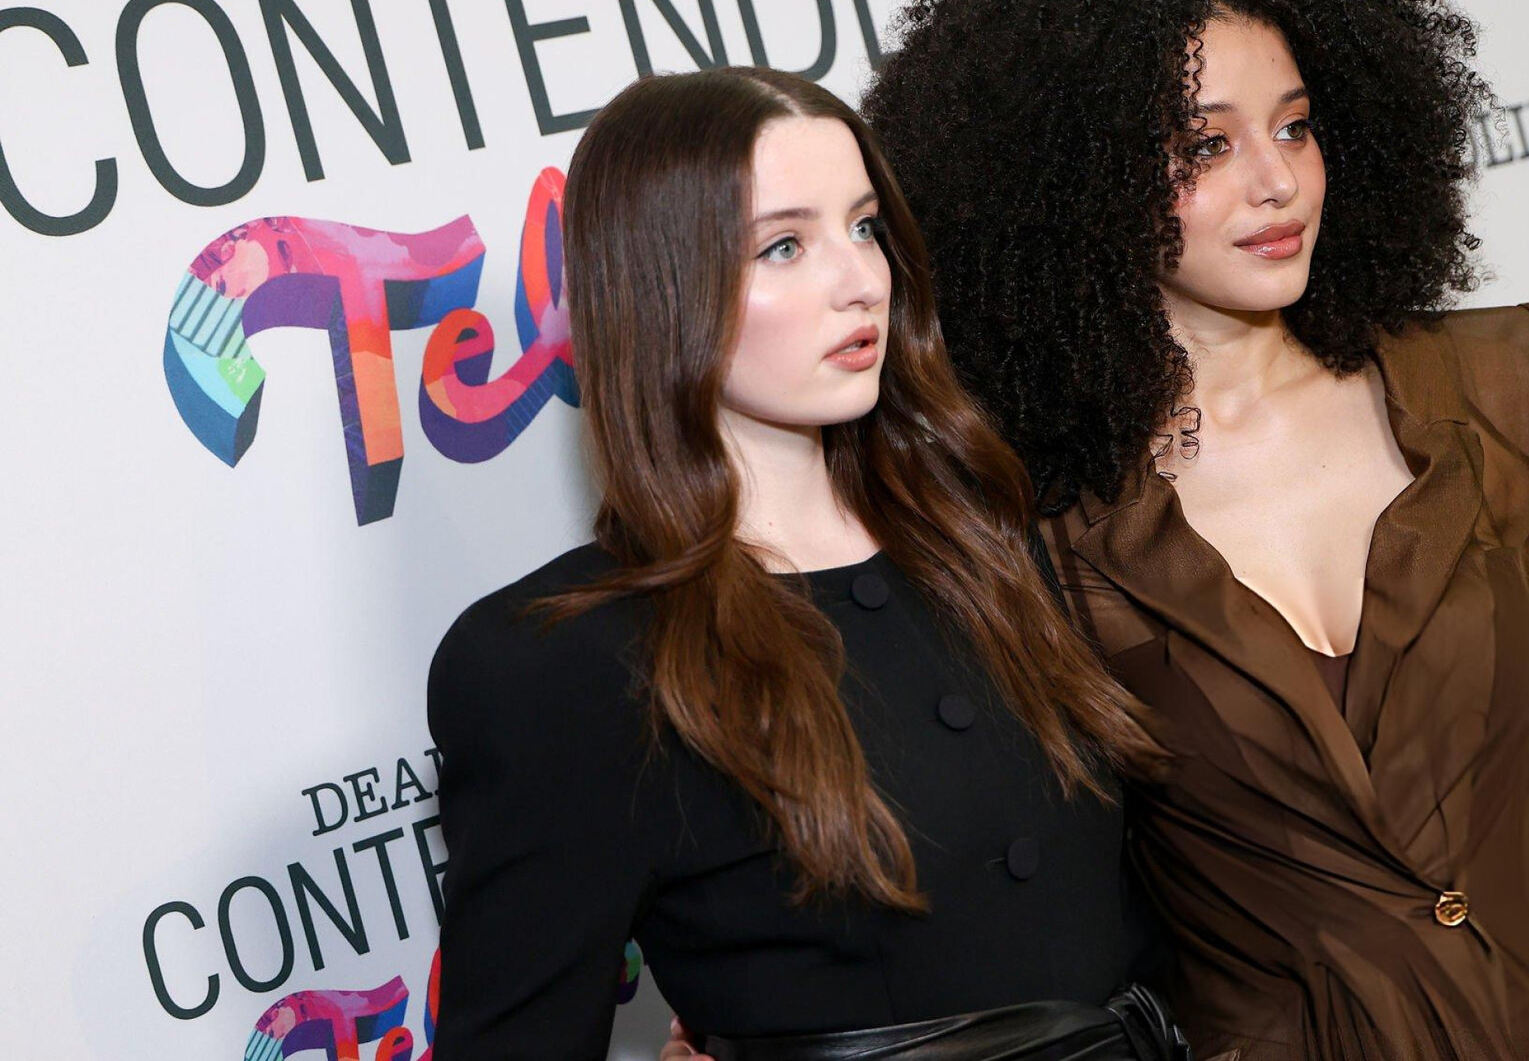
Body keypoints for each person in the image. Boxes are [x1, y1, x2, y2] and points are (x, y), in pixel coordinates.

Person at [858, 0, 1529, 1061]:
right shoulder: (1038, 508)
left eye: (1296, 127)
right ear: (1077, 180)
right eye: (1206, 146)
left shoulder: (1484, 384)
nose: (1279, 182)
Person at [426, 66, 1186, 1061]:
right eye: (783, 246)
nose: (860, 280)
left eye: (865, 228)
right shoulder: (564, 662)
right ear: (662, 289)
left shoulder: (987, 538)